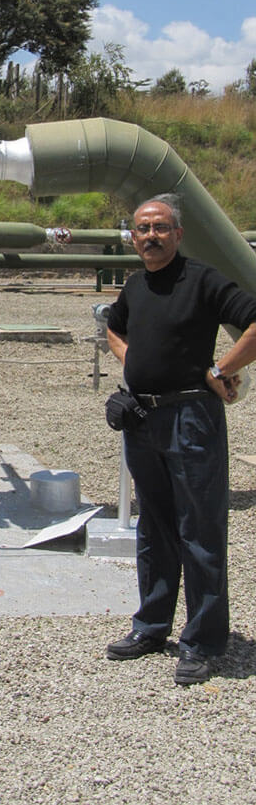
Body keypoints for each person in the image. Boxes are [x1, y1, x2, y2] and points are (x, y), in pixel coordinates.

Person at [104, 193, 256, 685]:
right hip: (142, 420)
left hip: (192, 418)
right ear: (133, 236)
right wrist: (131, 365)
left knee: (200, 531)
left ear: (178, 234)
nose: (150, 235)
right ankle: (151, 626)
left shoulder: (204, 280)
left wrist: (221, 368)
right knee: (154, 528)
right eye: (142, 228)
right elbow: (115, 327)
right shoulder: (135, 286)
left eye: (160, 228)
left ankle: (203, 641)